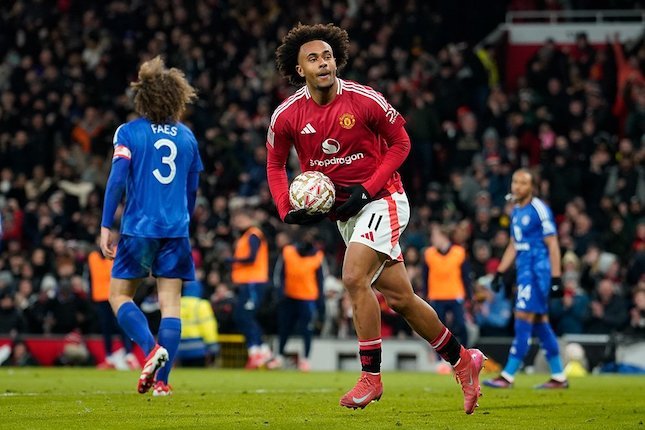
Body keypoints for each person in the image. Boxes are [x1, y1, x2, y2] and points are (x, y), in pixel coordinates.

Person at [266, 23, 485, 413]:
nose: (323, 63)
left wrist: (367, 189)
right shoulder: (287, 116)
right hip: (346, 215)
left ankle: (371, 377)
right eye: (313, 58)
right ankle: (463, 361)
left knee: (352, 277)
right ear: (300, 69)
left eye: (328, 56)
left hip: (383, 199)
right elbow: (275, 163)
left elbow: (401, 143)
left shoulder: (364, 100)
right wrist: (286, 208)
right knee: (402, 299)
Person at [100, 56, 202, 396]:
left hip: (139, 229)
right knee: (171, 304)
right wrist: (183, 221)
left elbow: (116, 180)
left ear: (142, 97)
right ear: (176, 98)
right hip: (176, 231)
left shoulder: (128, 132)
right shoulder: (187, 138)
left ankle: (149, 348)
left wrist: (105, 225)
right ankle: (162, 383)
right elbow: (191, 191)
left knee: (118, 296)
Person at [484, 168, 568, 389]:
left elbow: (553, 244)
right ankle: (559, 375)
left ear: (532, 187)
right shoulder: (516, 211)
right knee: (540, 323)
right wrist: (500, 272)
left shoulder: (539, 209)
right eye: (515, 182)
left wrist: (557, 277)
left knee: (522, 317)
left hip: (537, 272)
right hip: (524, 271)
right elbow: (514, 244)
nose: (517, 186)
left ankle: (508, 375)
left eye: (522, 183)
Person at [267, 231, 326, 371]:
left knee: (306, 330)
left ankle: (305, 360)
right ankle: (279, 357)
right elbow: (279, 274)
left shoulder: (318, 256)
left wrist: (320, 302)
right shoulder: (288, 251)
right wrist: (280, 293)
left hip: (308, 298)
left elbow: (321, 280)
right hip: (289, 297)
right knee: (284, 328)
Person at [228, 210, 272, 369]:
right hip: (248, 283)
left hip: (254, 282)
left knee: (245, 316)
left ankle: (258, 352)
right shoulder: (247, 236)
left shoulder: (254, 235)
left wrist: (232, 260)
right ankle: (260, 351)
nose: (237, 221)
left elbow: (252, 258)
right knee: (243, 316)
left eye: (240, 217)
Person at [87, 239, 138, 370]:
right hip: (101, 297)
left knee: (122, 325)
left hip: (116, 295)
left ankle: (129, 355)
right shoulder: (93, 256)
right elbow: (102, 274)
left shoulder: (115, 252)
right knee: (106, 328)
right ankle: (110, 358)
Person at [421, 224, 471, 346]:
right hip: (437, 296)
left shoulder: (459, 252)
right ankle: (441, 357)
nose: (432, 240)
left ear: (443, 237)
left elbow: (466, 276)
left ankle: (464, 352)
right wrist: (425, 295)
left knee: (461, 325)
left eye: (434, 236)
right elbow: (425, 277)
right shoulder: (429, 254)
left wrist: (469, 296)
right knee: (438, 330)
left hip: (455, 294)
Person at [177, 279, 219, 367]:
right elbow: (208, 327)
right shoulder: (201, 304)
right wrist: (213, 346)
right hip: (198, 349)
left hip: (179, 349)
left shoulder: (178, 303)